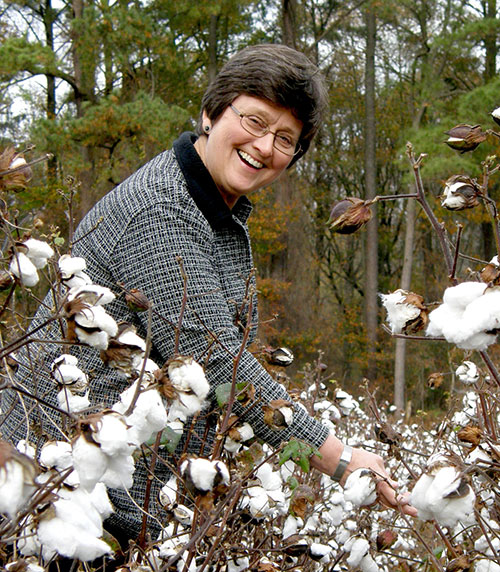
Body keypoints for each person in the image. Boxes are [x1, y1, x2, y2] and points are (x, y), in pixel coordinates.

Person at [1, 44, 416, 544]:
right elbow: (217, 363)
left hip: (127, 494)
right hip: (64, 496)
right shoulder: (160, 211)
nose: (265, 147)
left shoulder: (217, 212)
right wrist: (339, 458)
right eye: (255, 121)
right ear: (210, 113)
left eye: (285, 138)